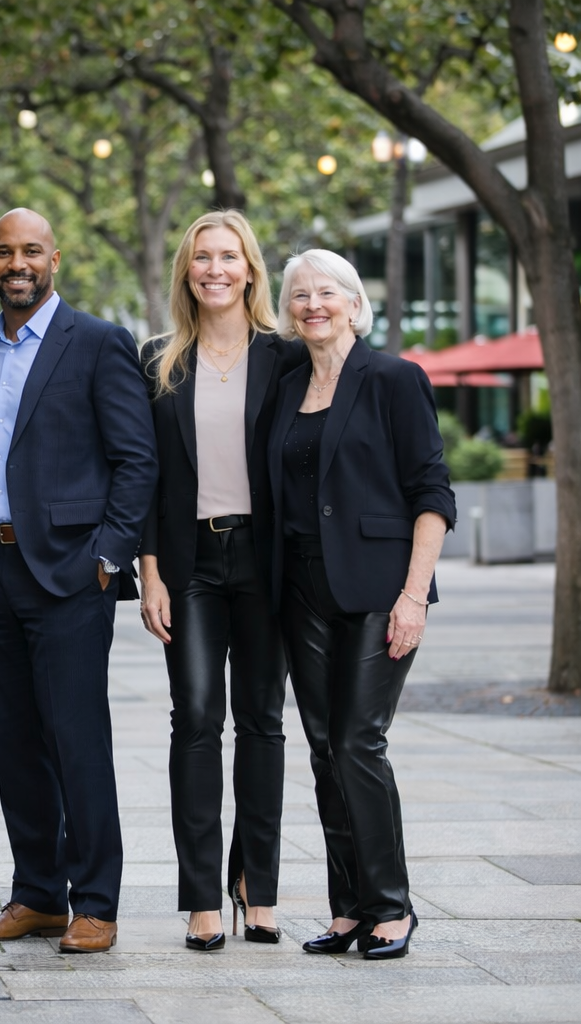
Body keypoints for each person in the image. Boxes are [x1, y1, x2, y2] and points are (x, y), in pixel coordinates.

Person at [0, 209, 156, 954]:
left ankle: (96, 901)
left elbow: (136, 460)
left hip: (71, 572)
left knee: (76, 738)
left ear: (55, 259)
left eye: (31, 251)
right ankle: (37, 893)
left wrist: (107, 558)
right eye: (4, 252)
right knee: (14, 740)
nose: (18, 263)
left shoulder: (99, 342)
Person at [269, 250, 454, 960]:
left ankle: (391, 906)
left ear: (353, 302)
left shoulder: (394, 378)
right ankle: (348, 908)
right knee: (323, 751)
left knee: (357, 743)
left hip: (381, 588)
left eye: (326, 293)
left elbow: (432, 493)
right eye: (299, 295)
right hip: (303, 590)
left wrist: (414, 596)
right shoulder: (287, 384)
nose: (312, 304)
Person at [139, 211, 306, 950]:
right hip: (191, 566)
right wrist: (149, 571)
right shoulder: (158, 361)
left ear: (250, 270)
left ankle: (258, 885)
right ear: (186, 271)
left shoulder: (287, 357)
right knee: (198, 718)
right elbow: (142, 478)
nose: (214, 268)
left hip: (268, 564)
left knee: (264, 722)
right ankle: (203, 892)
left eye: (227, 257)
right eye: (201, 257)